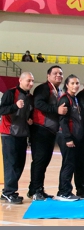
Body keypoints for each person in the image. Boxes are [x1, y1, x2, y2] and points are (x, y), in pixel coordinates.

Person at [28, 65, 65, 201]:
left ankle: (37, 189)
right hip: (40, 129)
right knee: (39, 161)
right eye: (55, 73)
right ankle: (35, 190)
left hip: (51, 131)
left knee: (44, 161)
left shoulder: (59, 90)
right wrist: (57, 110)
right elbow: (38, 104)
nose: (58, 75)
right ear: (48, 76)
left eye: (60, 74)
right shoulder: (43, 88)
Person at [0, 72, 34, 204]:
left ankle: (7, 191)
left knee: (19, 164)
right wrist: (15, 106)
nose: (31, 83)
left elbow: (28, 114)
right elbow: (1, 110)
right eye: (28, 81)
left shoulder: (30, 97)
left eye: (32, 81)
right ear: (20, 80)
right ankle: (9, 192)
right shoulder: (10, 93)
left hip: (22, 134)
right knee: (11, 164)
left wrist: (30, 120)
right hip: (9, 134)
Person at [54, 74, 84, 201]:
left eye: (77, 83)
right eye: (72, 83)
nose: (75, 85)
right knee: (68, 164)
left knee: (71, 164)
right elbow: (63, 121)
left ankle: (66, 190)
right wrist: (68, 138)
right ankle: (63, 192)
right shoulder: (65, 99)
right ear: (67, 85)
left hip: (74, 136)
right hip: (66, 136)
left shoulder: (74, 98)